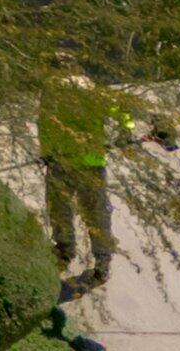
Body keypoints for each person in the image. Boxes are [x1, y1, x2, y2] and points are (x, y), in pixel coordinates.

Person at [41, 78, 122, 294]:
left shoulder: (64, 91)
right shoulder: (57, 91)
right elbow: (47, 124)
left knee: (79, 212)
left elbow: (45, 123)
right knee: (80, 212)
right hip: (73, 161)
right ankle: (78, 255)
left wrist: (47, 153)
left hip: (80, 163)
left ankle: (74, 253)